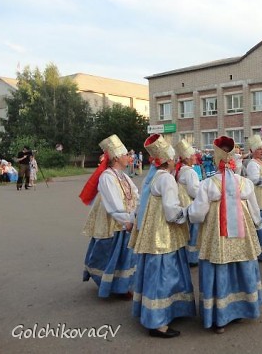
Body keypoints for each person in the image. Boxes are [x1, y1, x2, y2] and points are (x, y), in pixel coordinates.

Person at [188, 136, 262, 334]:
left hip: (217, 233)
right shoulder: (245, 183)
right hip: (242, 232)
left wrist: (188, 213)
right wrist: (257, 222)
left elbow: (197, 213)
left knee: (219, 266)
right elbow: (254, 208)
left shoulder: (208, 184)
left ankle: (219, 316)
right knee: (241, 263)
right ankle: (242, 308)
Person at [129, 134, 195, 339]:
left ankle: (157, 312)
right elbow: (170, 211)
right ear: (167, 161)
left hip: (152, 232)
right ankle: (158, 322)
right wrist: (188, 212)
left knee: (154, 272)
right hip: (163, 234)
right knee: (163, 274)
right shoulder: (166, 179)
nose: (176, 161)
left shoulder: (154, 177)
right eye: (174, 158)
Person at [80, 134, 139, 298]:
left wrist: (136, 212)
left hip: (126, 217)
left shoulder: (123, 175)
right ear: (116, 157)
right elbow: (113, 203)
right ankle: (111, 284)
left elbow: (134, 192)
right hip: (113, 221)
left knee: (124, 255)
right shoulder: (107, 177)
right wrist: (126, 220)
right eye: (126, 155)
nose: (129, 157)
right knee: (110, 252)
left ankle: (121, 285)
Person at [174, 139, 201, 266]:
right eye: (192, 155)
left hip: (182, 203)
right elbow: (194, 190)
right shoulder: (190, 172)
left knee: (186, 231)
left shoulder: (181, 170)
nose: (195, 157)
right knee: (193, 231)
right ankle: (192, 258)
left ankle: (186, 255)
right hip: (189, 204)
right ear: (186, 158)